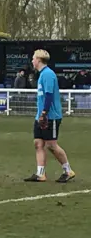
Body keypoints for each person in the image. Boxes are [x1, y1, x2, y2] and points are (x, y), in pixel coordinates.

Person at [24, 50, 75, 183]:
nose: (32, 61)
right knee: (38, 143)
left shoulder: (47, 74)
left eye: (33, 58)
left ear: (39, 60)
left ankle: (68, 170)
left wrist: (45, 112)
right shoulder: (42, 74)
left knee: (51, 145)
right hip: (40, 115)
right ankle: (41, 174)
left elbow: (49, 95)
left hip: (50, 116)